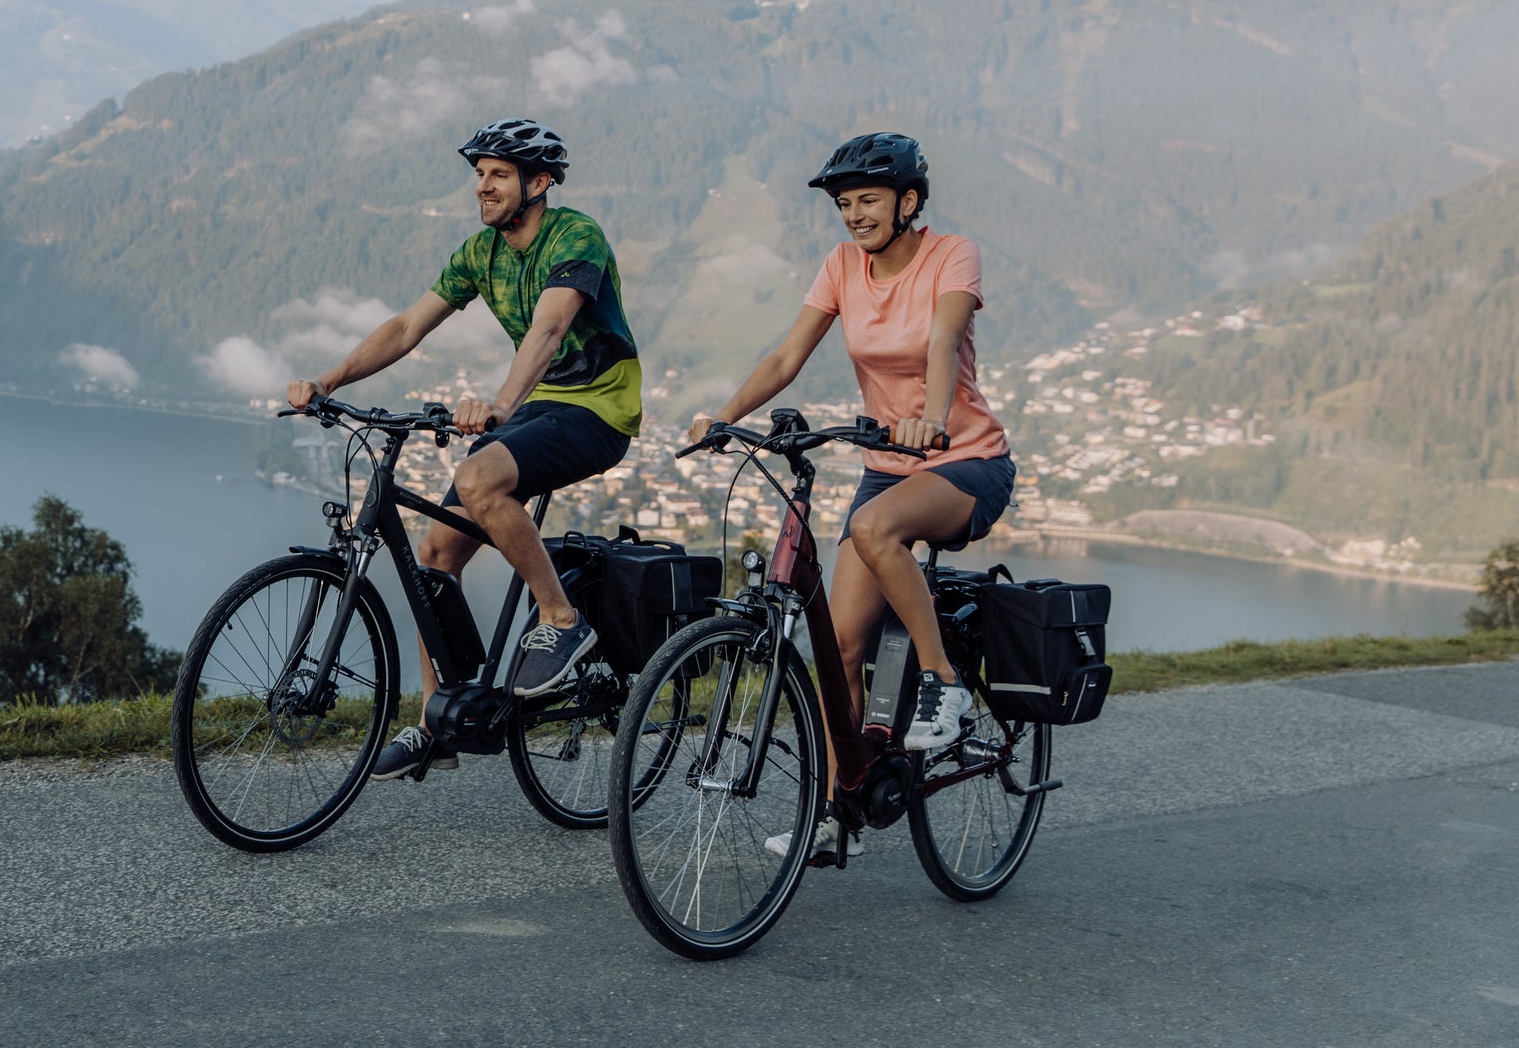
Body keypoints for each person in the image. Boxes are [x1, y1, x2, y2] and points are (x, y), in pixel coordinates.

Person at [286, 118, 642, 780]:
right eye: (478, 173)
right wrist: (330, 380)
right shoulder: (481, 252)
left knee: (478, 479)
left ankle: (561, 617)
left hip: (598, 406)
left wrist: (502, 401)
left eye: (498, 174)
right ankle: (438, 722)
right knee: (433, 554)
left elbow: (551, 324)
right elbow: (405, 326)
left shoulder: (575, 236)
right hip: (539, 406)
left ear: (539, 183)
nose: (482, 185)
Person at [688, 133, 1015, 852]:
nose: (854, 215)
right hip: (886, 465)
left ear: (909, 201)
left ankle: (942, 682)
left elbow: (941, 337)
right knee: (837, 644)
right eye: (844, 203)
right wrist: (725, 416)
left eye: (868, 199)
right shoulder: (842, 265)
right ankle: (844, 813)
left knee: (873, 528)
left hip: (964, 461)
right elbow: (785, 355)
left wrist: (930, 416)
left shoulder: (952, 254)